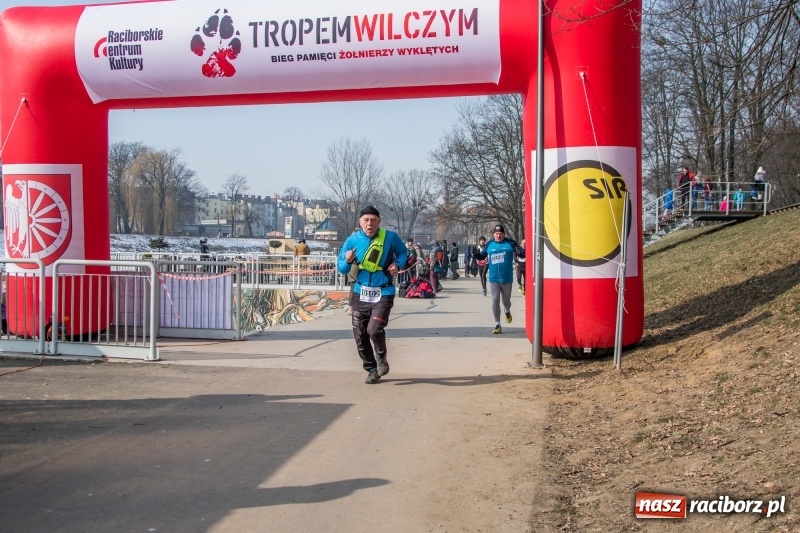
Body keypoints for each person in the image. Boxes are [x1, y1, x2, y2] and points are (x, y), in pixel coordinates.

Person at [337, 206, 407, 384]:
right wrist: (347, 259)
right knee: (360, 335)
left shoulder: (389, 237)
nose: (370, 224)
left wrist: (397, 264)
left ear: (379, 221)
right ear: (360, 222)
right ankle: (372, 369)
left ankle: (381, 357)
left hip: (383, 291)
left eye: (373, 220)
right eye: (366, 220)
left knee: (373, 329)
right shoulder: (352, 240)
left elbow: (403, 251)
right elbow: (342, 268)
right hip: (360, 293)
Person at [472, 224, 523, 334]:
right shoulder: (490, 244)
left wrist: (520, 251)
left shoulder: (510, 243)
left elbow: (521, 253)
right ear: (494, 234)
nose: (498, 235)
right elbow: (482, 256)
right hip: (494, 278)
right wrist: (475, 254)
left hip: (507, 278)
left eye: (500, 234)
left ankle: (507, 310)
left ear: (504, 234)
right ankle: (497, 324)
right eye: (496, 233)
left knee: (506, 301)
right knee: (495, 300)